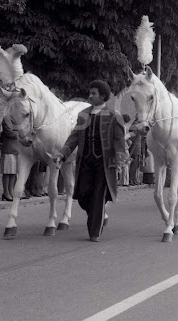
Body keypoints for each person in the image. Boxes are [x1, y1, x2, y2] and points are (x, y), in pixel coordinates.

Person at [54, 80, 127, 242]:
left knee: (98, 196)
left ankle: (94, 232)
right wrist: (63, 153)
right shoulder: (84, 115)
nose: (90, 96)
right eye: (90, 92)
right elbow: (73, 138)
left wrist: (120, 159)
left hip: (104, 164)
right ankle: (95, 213)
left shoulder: (114, 116)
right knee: (82, 194)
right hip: (85, 162)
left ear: (103, 96)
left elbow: (118, 141)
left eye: (94, 93)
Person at [0, 114, 19, 201]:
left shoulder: (18, 117)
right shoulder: (7, 117)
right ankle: (6, 192)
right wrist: (20, 132)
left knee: (13, 172)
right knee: (7, 171)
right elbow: (9, 132)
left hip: (16, 148)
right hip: (8, 147)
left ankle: (11, 190)